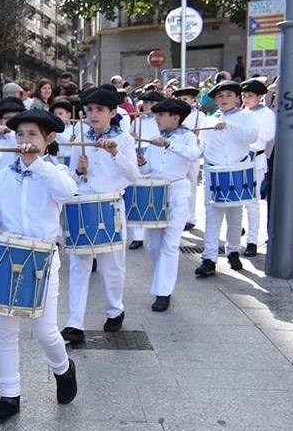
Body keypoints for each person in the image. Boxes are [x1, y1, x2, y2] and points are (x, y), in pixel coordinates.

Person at [0, 110, 79, 424]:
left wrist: (36, 163)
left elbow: (68, 192)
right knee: (4, 330)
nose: (24, 140)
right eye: (20, 134)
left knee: (45, 332)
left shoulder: (55, 171)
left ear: (49, 139)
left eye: (32, 134)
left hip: (42, 259)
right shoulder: (6, 175)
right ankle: (10, 396)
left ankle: (63, 369)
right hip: (8, 256)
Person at [61, 87, 137, 344]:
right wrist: (78, 170)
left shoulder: (124, 140)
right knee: (79, 267)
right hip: (83, 204)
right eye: (89, 109)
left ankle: (115, 309)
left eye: (100, 110)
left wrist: (114, 153)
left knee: (111, 267)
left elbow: (133, 175)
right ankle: (75, 323)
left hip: (109, 205)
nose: (93, 114)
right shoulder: (80, 136)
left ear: (112, 112)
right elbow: (71, 179)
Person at [137, 99, 201, 311]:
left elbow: (194, 154)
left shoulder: (187, 136)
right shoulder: (154, 139)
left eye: (161, 115)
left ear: (175, 117)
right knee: (153, 244)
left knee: (170, 243)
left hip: (177, 192)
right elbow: (148, 170)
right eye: (156, 115)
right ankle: (162, 279)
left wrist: (169, 144)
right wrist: (142, 163)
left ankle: (163, 292)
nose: (157, 119)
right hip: (155, 194)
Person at [194, 81, 258, 277]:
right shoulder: (208, 120)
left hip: (236, 171)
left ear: (237, 98)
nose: (224, 99)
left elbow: (252, 137)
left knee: (235, 217)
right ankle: (209, 258)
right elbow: (202, 146)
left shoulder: (246, 116)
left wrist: (229, 126)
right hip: (214, 173)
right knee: (212, 218)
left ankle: (233, 252)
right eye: (220, 96)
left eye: (229, 95)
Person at [240, 79, 275, 257]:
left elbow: (268, 136)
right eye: (244, 96)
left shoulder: (266, 113)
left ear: (259, 97)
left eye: (250, 96)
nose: (246, 99)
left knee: (252, 202)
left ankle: (252, 241)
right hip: (240, 159)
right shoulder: (242, 112)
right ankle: (238, 230)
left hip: (256, 159)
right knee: (237, 201)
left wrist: (251, 126)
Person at [127, 91, 164, 249]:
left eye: (152, 103)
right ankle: (137, 236)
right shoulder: (137, 121)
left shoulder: (161, 120)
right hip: (139, 154)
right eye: (146, 103)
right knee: (137, 192)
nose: (148, 106)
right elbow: (129, 139)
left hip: (155, 154)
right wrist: (132, 137)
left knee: (153, 194)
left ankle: (154, 226)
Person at [173, 87, 208, 231]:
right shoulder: (175, 115)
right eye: (180, 99)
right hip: (176, 153)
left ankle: (190, 217)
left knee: (191, 184)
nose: (182, 102)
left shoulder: (199, 115)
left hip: (192, 153)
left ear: (193, 101)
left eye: (185, 99)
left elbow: (202, 136)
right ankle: (178, 215)